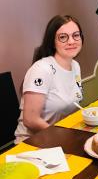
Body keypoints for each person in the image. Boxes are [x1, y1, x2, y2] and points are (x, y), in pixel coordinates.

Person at [15, 15, 84, 143]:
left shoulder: (75, 65)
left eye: (76, 35)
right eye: (63, 37)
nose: (71, 41)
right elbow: (30, 120)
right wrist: (60, 136)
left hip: (61, 136)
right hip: (32, 142)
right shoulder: (42, 69)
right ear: (52, 42)